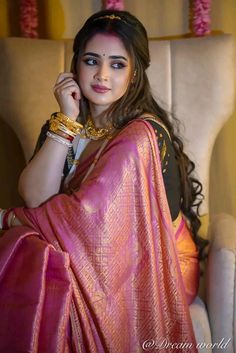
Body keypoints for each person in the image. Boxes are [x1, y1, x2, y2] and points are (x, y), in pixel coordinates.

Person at [0, 9, 204, 353]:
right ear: (76, 64)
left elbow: (92, 225)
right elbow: (36, 197)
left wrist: (7, 218)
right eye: (91, 60)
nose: (102, 75)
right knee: (35, 250)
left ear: (135, 72)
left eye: (118, 65)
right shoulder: (65, 125)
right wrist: (66, 120)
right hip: (85, 252)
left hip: (153, 268)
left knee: (30, 247)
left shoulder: (142, 136)